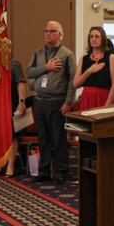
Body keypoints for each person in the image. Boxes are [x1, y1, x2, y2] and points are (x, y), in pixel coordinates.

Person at [26, 21, 76, 184]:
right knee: (43, 138)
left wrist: (68, 102)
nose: (48, 33)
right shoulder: (38, 53)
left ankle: (62, 171)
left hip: (57, 101)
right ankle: (44, 171)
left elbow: (73, 80)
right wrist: (46, 67)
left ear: (60, 34)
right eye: (46, 30)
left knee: (59, 138)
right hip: (40, 101)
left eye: (52, 31)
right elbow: (29, 72)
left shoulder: (67, 54)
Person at [73, 26, 114, 109]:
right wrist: (89, 71)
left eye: (97, 36)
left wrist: (107, 106)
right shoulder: (83, 59)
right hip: (87, 97)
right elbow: (76, 84)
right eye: (91, 37)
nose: (94, 39)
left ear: (103, 39)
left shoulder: (111, 57)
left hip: (104, 97)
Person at [6, 44, 27, 177]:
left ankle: (10, 165)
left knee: (11, 134)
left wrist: (21, 101)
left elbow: (21, 83)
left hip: (11, 99)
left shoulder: (14, 64)